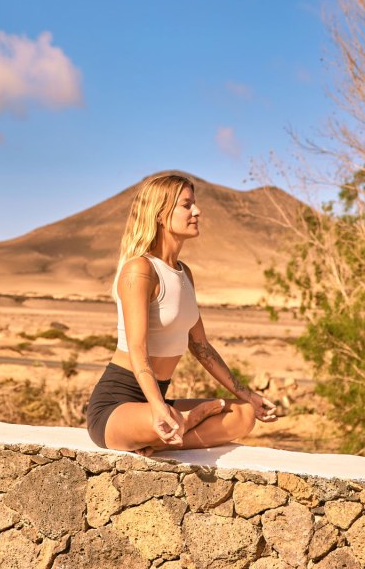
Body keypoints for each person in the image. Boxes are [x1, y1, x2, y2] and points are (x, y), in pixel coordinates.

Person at [87, 172, 277, 454]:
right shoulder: (140, 270)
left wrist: (249, 395)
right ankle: (171, 426)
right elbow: (138, 350)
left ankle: (162, 437)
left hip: (158, 401)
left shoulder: (183, 272)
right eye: (187, 205)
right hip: (117, 406)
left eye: (194, 204)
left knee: (244, 415)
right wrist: (157, 407)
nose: (197, 211)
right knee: (167, 420)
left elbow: (201, 346)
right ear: (161, 214)